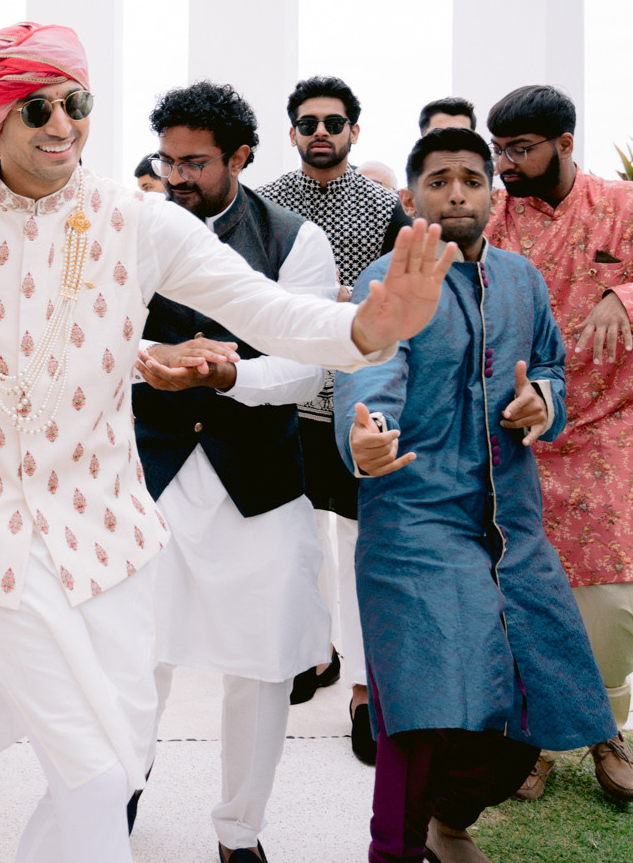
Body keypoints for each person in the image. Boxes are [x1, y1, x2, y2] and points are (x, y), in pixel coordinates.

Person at [0, 20, 454, 863]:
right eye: (37, 106)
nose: (62, 122)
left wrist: (362, 328)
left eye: (75, 102)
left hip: (109, 533)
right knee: (85, 762)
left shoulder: (136, 221)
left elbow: (259, 308)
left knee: (113, 758)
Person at [336, 128, 615, 863]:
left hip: (512, 528)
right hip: (414, 523)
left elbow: (549, 363)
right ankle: (392, 851)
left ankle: (449, 821)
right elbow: (368, 369)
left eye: (469, 177)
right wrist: (368, 439)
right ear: (409, 197)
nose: (455, 190)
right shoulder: (384, 279)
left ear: (494, 193)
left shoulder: (523, 279)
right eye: (437, 180)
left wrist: (541, 402)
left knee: (542, 697)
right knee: (423, 712)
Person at [482, 84, 633, 802]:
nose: (506, 164)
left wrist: (630, 296)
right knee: (519, 593)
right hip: (517, 434)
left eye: (521, 149)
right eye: (500, 150)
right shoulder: (489, 215)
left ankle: (606, 727)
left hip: (610, 430)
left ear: (565, 143)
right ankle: (535, 737)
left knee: (614, 602)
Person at [133, 83, 339, 863]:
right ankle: (119, 788)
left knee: (261, 664)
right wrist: (155, 367)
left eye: (196, 162)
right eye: (168, 159)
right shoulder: (132, 232)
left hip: (257, 483)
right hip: (147, 476)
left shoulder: (296, 240)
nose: (177, 175)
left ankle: (238, 829)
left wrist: (226, 377)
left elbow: (303, 365)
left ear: (241, 157)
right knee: (134, 653)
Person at [254, 74, 405, 757]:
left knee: (356, 548)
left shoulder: (382, 207)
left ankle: (368, 692)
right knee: (296, 541)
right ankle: (313, 655)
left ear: (353, 131)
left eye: (334, 122)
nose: (321, 132)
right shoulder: (267, 203)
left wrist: (351, 301)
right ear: (292, 132)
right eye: (308, 122)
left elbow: (400, 301)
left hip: (357, 399)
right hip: (286, 397)